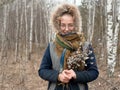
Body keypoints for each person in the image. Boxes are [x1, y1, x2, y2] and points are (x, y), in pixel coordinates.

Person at [38, 3, 99, 90]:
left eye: (70, 25)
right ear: (58, 25)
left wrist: (76, 75)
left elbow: (94, 72)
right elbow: (42, 71)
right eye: (63, 25)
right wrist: (58, 76)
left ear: (75, 25)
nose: (66, 29)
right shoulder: (52, 46)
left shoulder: (85, 47)